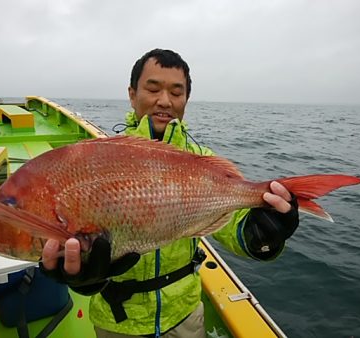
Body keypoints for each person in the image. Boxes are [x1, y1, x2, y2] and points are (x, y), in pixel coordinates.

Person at [41, 49, 299, 338]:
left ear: (186, 99)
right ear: (131, 93)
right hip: (117, 321)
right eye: (153, 89)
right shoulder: (101, 160)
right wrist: (83, 276)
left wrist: (263, 234)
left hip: (185, 317)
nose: (165, 101)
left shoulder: (203, 161)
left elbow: (235, 228)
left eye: (177, 92)